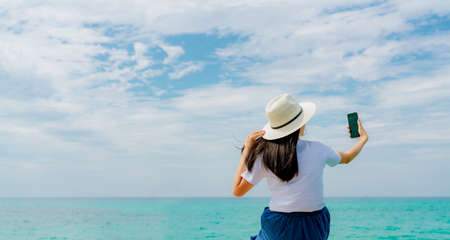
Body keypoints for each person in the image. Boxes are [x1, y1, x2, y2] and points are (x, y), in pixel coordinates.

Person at [232, 93, 368, 240]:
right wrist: (363, 139)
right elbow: (347, 157)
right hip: (314, 224)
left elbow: (238, 191)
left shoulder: (265, 156)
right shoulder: (319, 149)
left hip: (278, 225)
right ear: (300, 124)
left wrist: (248, 149)